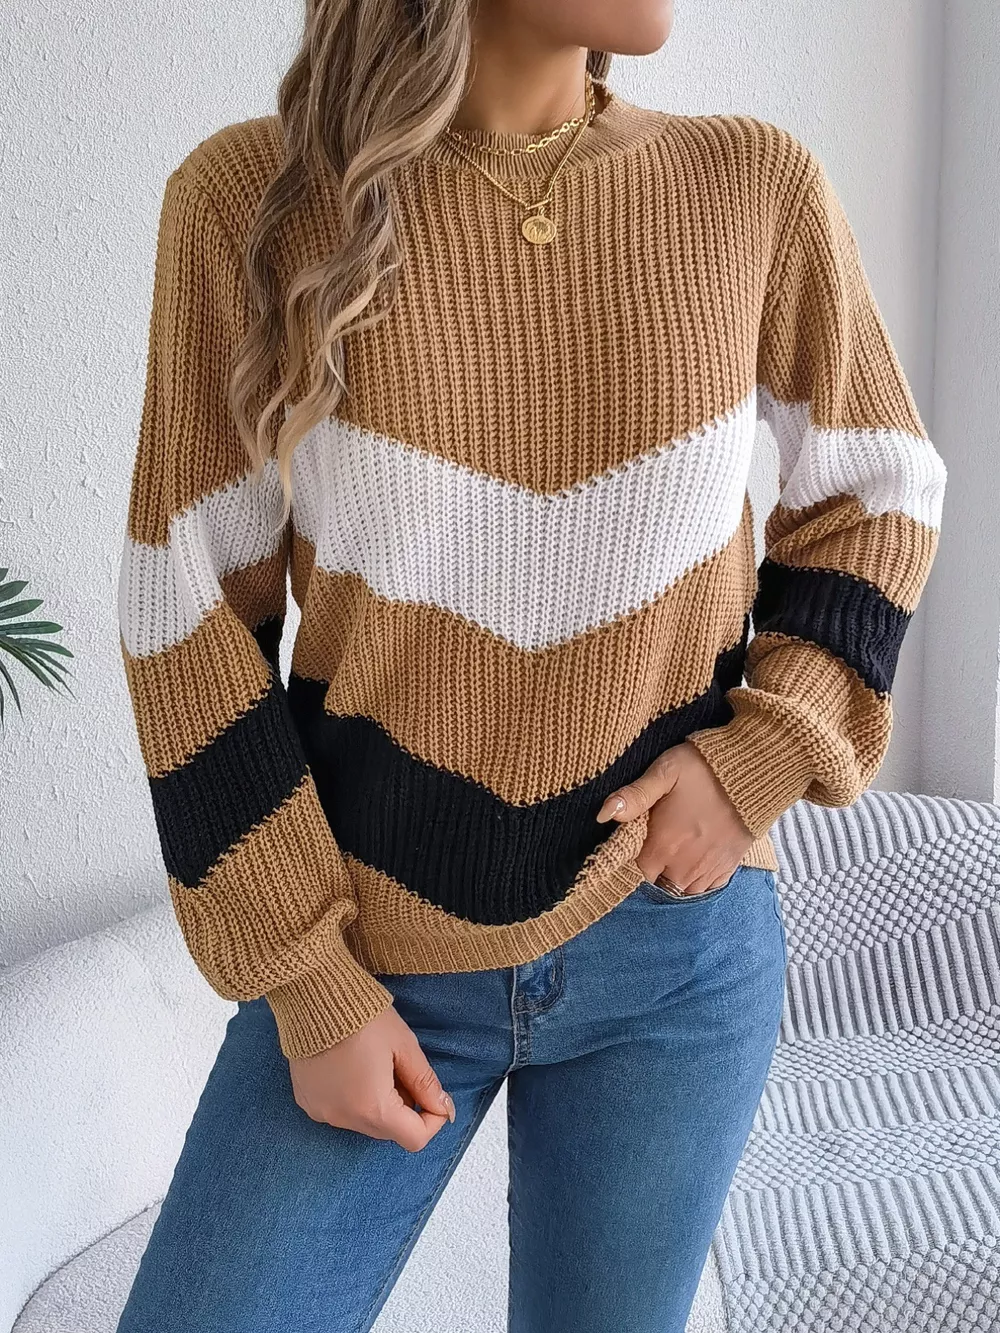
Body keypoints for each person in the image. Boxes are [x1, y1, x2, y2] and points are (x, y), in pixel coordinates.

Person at [114, 2, 947, 1330]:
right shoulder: (250, 206)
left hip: (674, 952)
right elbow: (185, 610)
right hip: (370, 954)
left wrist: (763, 755)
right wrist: (309, 984)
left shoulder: (751, 188)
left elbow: (880, 492)